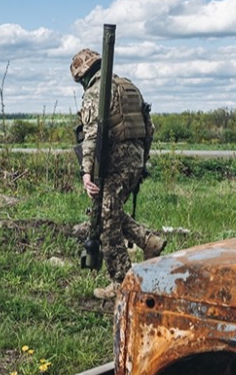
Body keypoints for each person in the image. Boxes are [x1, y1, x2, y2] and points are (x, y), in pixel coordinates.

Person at [70, 48, 166, 300]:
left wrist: (86, 171)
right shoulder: (129, 87)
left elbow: (91, 133)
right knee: (109, 211)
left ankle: (122, 282)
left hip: (115, 162)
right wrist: (142, 159)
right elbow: (149, 127)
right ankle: (149, 241)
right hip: (135, 159)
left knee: (107, 223)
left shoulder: (96, 93)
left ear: (83, 75)